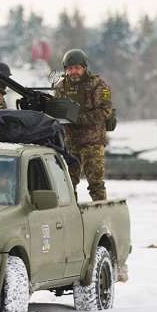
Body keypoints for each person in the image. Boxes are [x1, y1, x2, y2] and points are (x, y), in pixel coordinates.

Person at [53, 49, 112, 202]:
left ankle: (101, 214)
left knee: (96, 184)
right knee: (67, 184)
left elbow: (105, 111)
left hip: (92, 143)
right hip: (70, 144)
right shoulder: (61, 87)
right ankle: (71, 215)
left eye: (77, 68)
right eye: (70, 68)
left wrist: (80, 118)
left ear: (84, 68)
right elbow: (57, 110)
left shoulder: (98, 85)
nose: (74, 72)